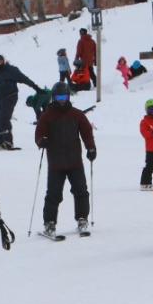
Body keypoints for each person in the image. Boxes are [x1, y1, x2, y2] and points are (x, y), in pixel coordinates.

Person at [36, 82, 95, 238]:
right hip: (56, 163)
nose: (62, 100)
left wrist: (91, 148)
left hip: (75, 161)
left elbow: (87, 132)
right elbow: (39, 133)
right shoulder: (47, 115)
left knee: (81, 191)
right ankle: (49, 223)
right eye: (58, 97)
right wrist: (41, 141)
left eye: (64, 96)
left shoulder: (76, 114)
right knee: (53, 194)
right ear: (54, 98)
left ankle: (82, 219)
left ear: (68, 96)